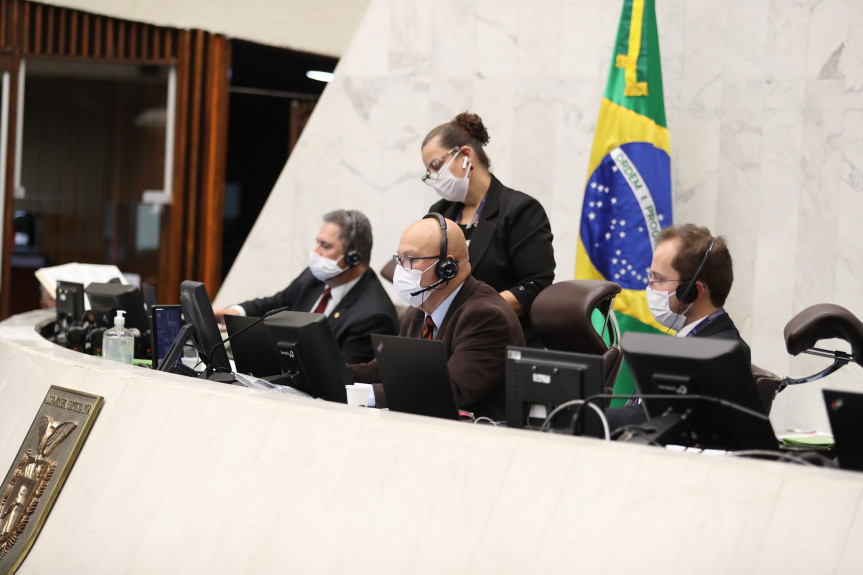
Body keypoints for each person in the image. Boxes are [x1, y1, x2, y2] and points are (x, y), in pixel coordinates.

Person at [348, 214, 525, 421]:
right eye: (399, 259)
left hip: (479, 440)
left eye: (410, 259)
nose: (400, 270)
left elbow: (446, 390)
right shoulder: (419, 309)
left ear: (447, 268)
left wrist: (360, 395)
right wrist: (327, 373)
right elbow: (384, 371)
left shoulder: (487, 317)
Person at [420, 112, 555, 347]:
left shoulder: (520, 210)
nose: (433, 177)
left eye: (435, 166)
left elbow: (535, 285)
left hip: (502, 341)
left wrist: (473, 312)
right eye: (429, 172)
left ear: (465, 156)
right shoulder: (440, 213)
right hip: (447, 340)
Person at [606, 223, 750, 430]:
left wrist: (582, 416)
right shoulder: (691, 340)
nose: (649, 286)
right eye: (651, 276)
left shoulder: (717, 351)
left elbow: (652, 419)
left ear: (692, 291)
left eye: (659, 279)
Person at [213, 210, 398, 364]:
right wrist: (235, 313)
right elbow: (276, 303)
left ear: (353, 258)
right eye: (317, 242)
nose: (315, 252)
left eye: (325, 246)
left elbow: (344, 377)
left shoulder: (374, 315)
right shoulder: (314, 277)